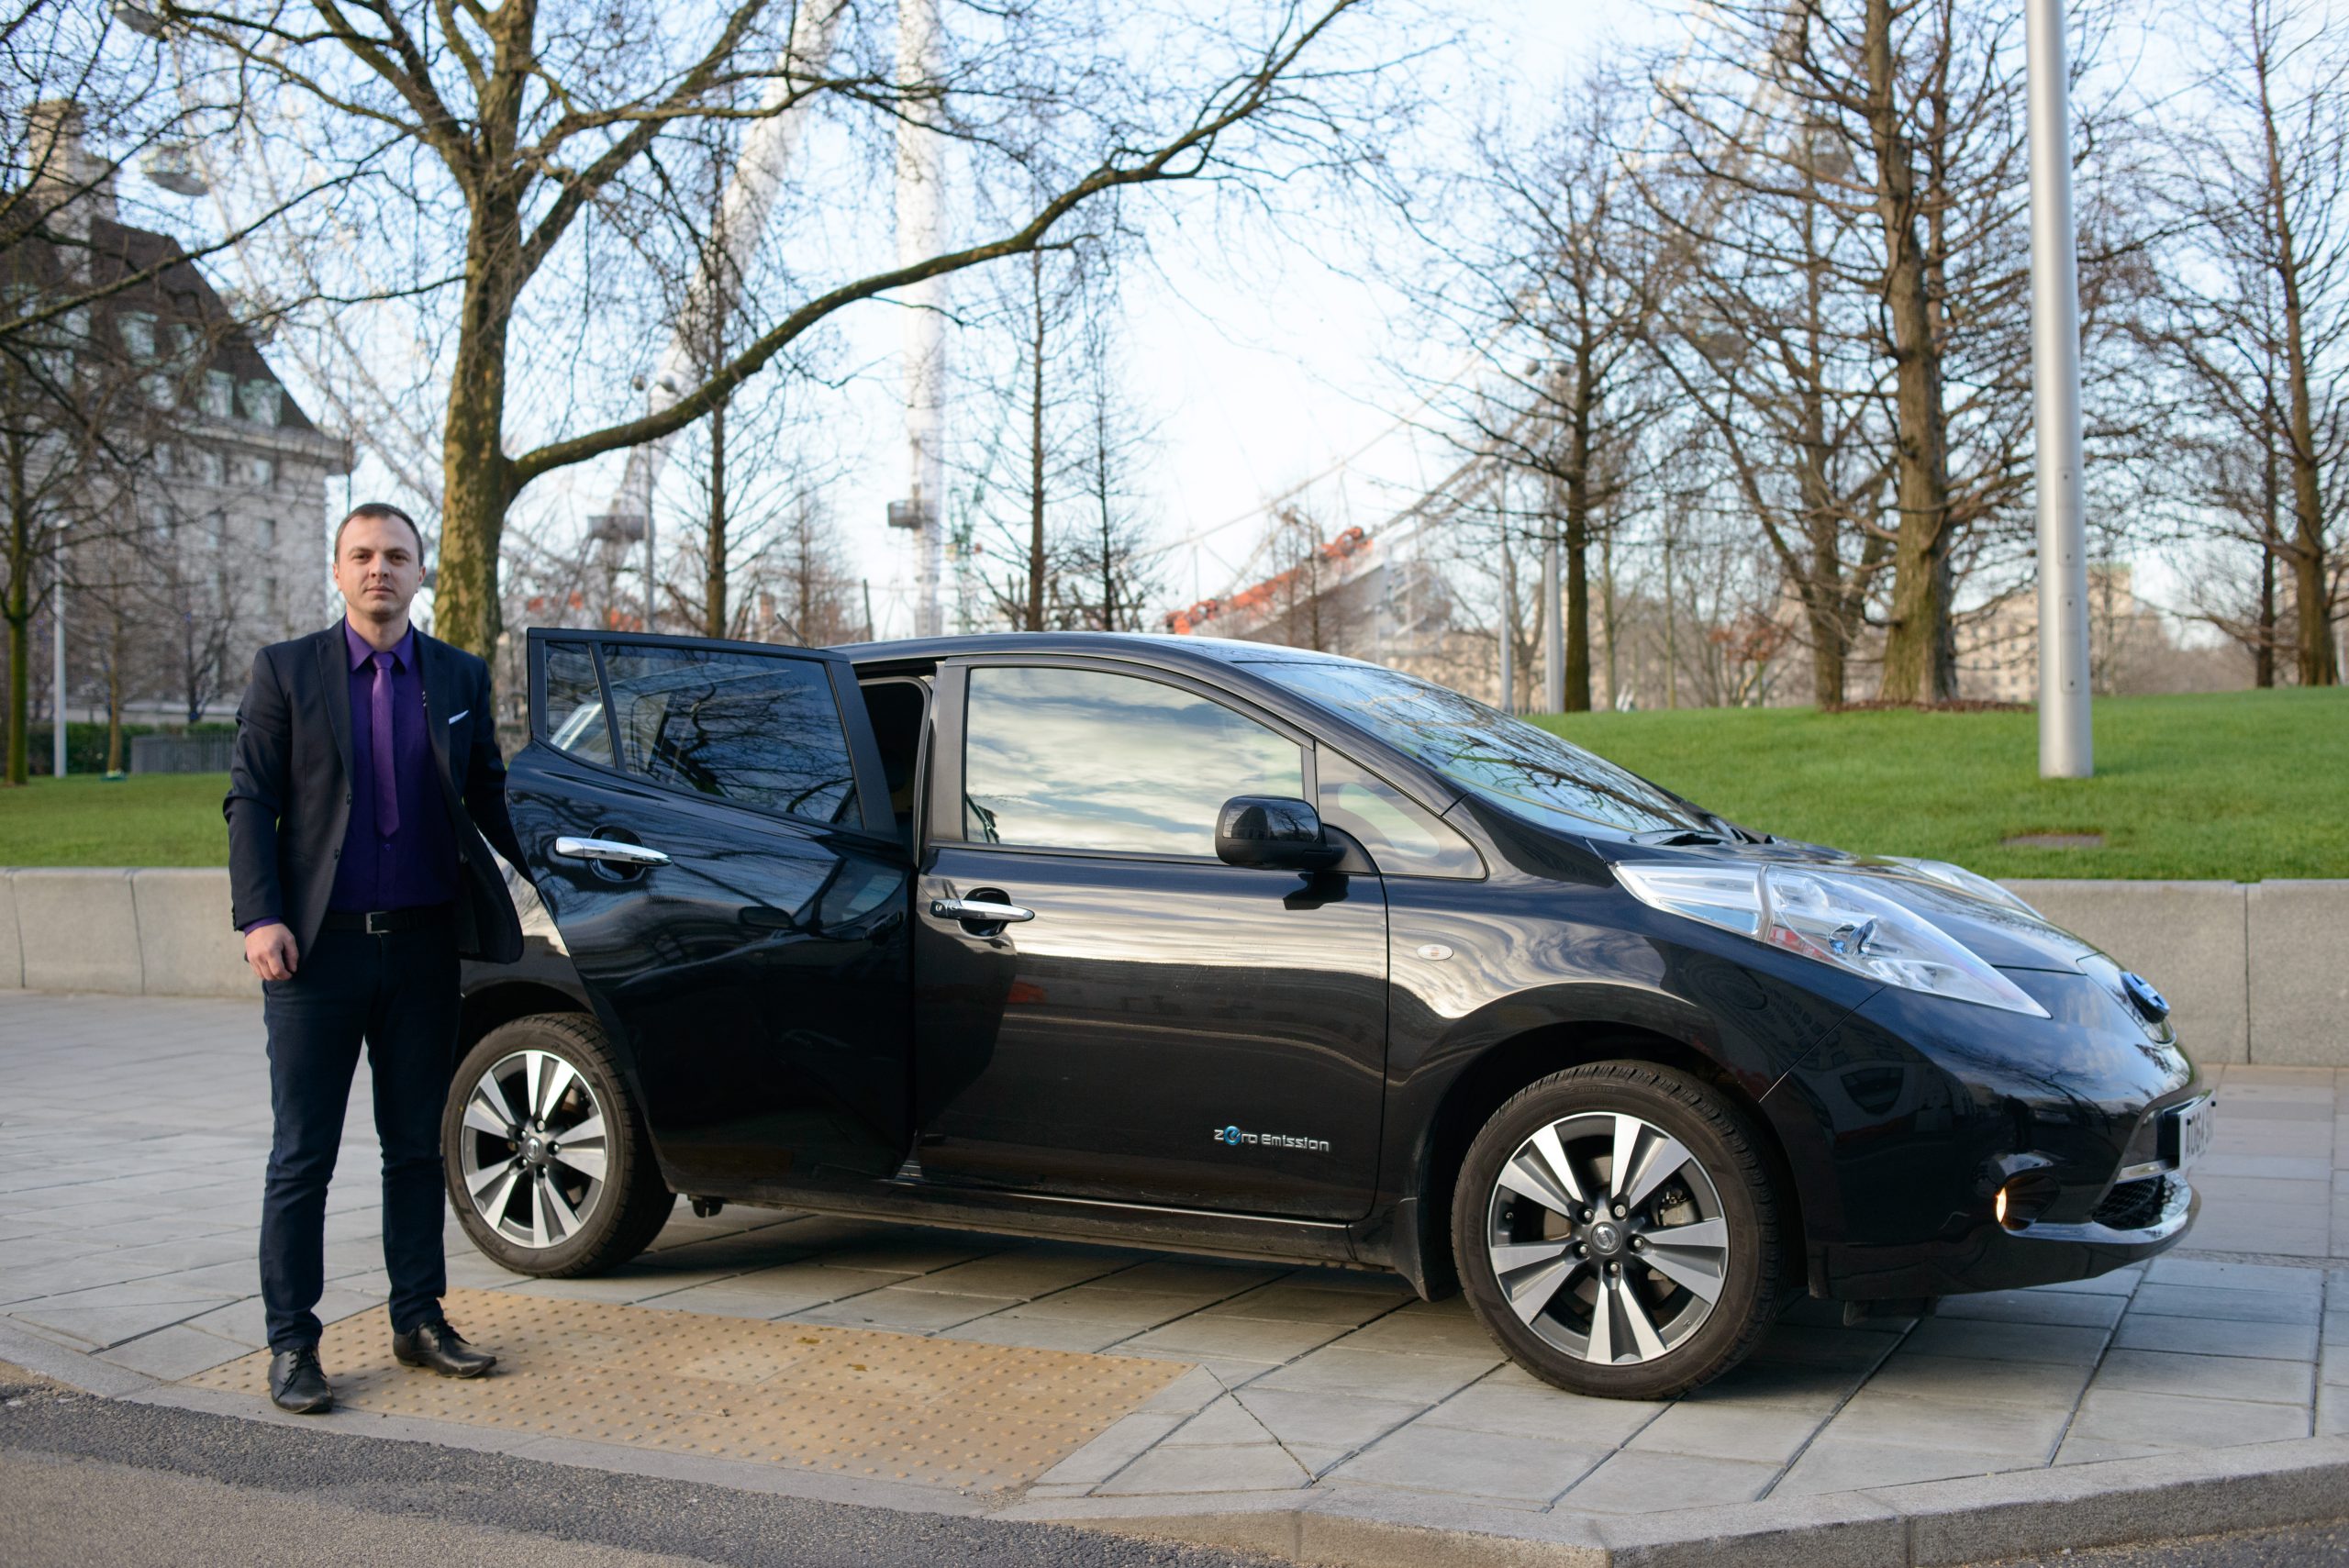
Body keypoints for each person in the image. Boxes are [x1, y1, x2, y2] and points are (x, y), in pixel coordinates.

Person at [225, 503, 528, 1414]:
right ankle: (292, 1343)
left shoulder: (457, 675)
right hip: (317, 955)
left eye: (396, 555)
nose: (378, 569)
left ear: (420, 570)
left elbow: (492, 799)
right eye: (362, 554)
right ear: (337, 568)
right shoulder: (287, 671)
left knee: (414, 1149)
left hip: (427, 947)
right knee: (302, 1154)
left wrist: (570, 861)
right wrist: (259, 917)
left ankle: (417, 1316)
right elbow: (251, 800)